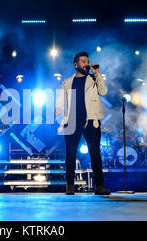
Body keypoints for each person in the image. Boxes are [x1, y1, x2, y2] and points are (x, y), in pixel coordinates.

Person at [55, 51, 110, 195]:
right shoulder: (67, 82)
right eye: (83, 61)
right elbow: (60, 98)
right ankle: (70, 187)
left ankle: (99, 186)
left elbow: (104, 92)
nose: (86, 64)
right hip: (71, 121)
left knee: (95, 153)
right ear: (75, 64)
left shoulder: (93, 79)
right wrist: (58, 109)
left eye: (87, 61)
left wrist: (97, 73)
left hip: (91, 119)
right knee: (70, 154)